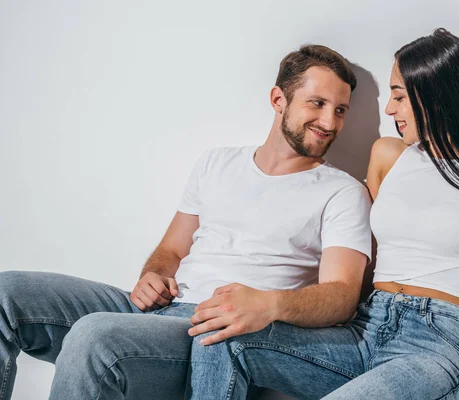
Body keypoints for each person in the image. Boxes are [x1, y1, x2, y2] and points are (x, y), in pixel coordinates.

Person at [0, 44, 373, 400]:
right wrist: (155, 275)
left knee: (93, 335)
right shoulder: (217, 162)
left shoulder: (341, 192)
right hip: (156, 310)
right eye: (318, 103)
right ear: (279, 100)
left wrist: (269, 304)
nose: (329, 121)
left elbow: (341, 296)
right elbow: (172, 249)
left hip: (207, 330)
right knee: (6, 293)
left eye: (341, 110)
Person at [189, 28, 459, 400]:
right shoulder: (388, 156)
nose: (390, 110)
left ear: (437, 97)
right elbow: (365, 260)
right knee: (222, 336)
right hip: (364, 327)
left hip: (434, 344)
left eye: (400, 97)